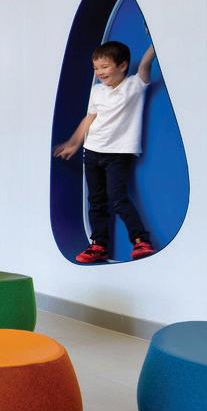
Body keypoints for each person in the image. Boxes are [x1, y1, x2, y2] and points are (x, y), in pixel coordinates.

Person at [53, 40, 158, 263]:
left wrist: (155, 42)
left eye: (104, 67)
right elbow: (89, 119)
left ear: (122, 65)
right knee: (96, 201)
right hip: (92, 151)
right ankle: (99, 245)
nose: (99, 72)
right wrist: (74, 143)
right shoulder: (97, 91)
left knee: (118, 198)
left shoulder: (135, 85)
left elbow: (145, 64)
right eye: (96, 68)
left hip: (119, 153)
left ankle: (140, 240)